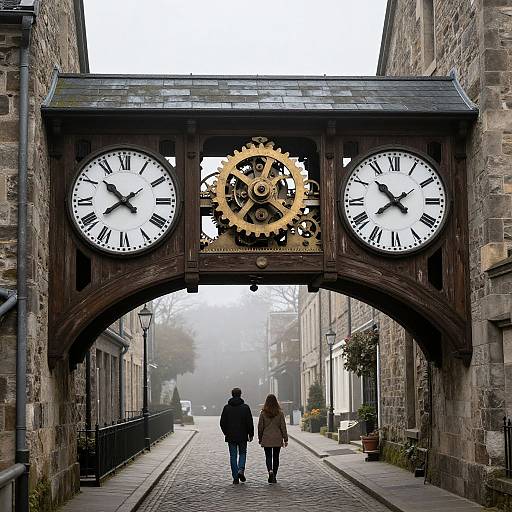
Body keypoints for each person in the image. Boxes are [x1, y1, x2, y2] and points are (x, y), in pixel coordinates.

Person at [220, 387, 254, 484]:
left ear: (232, 394)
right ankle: (241, 469)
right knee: (242, 453)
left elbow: (222, 422)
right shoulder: (245, 408)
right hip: (243, 436)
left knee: (233, 456)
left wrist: (226, 432)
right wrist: (250, 434)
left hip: (231, 436)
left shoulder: (227, 408)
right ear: (240, 394)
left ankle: (235, 477)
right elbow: (249, 422)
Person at [258, 394, 288, 484]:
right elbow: (283, 426)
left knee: (268, 456)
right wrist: (285, 439)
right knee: (276, 457)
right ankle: (274, 475)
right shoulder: (280, 413)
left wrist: (260, 438)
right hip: (277, 438)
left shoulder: (263, 413)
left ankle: (270, 471)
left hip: (266, 438)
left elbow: (260, 427)